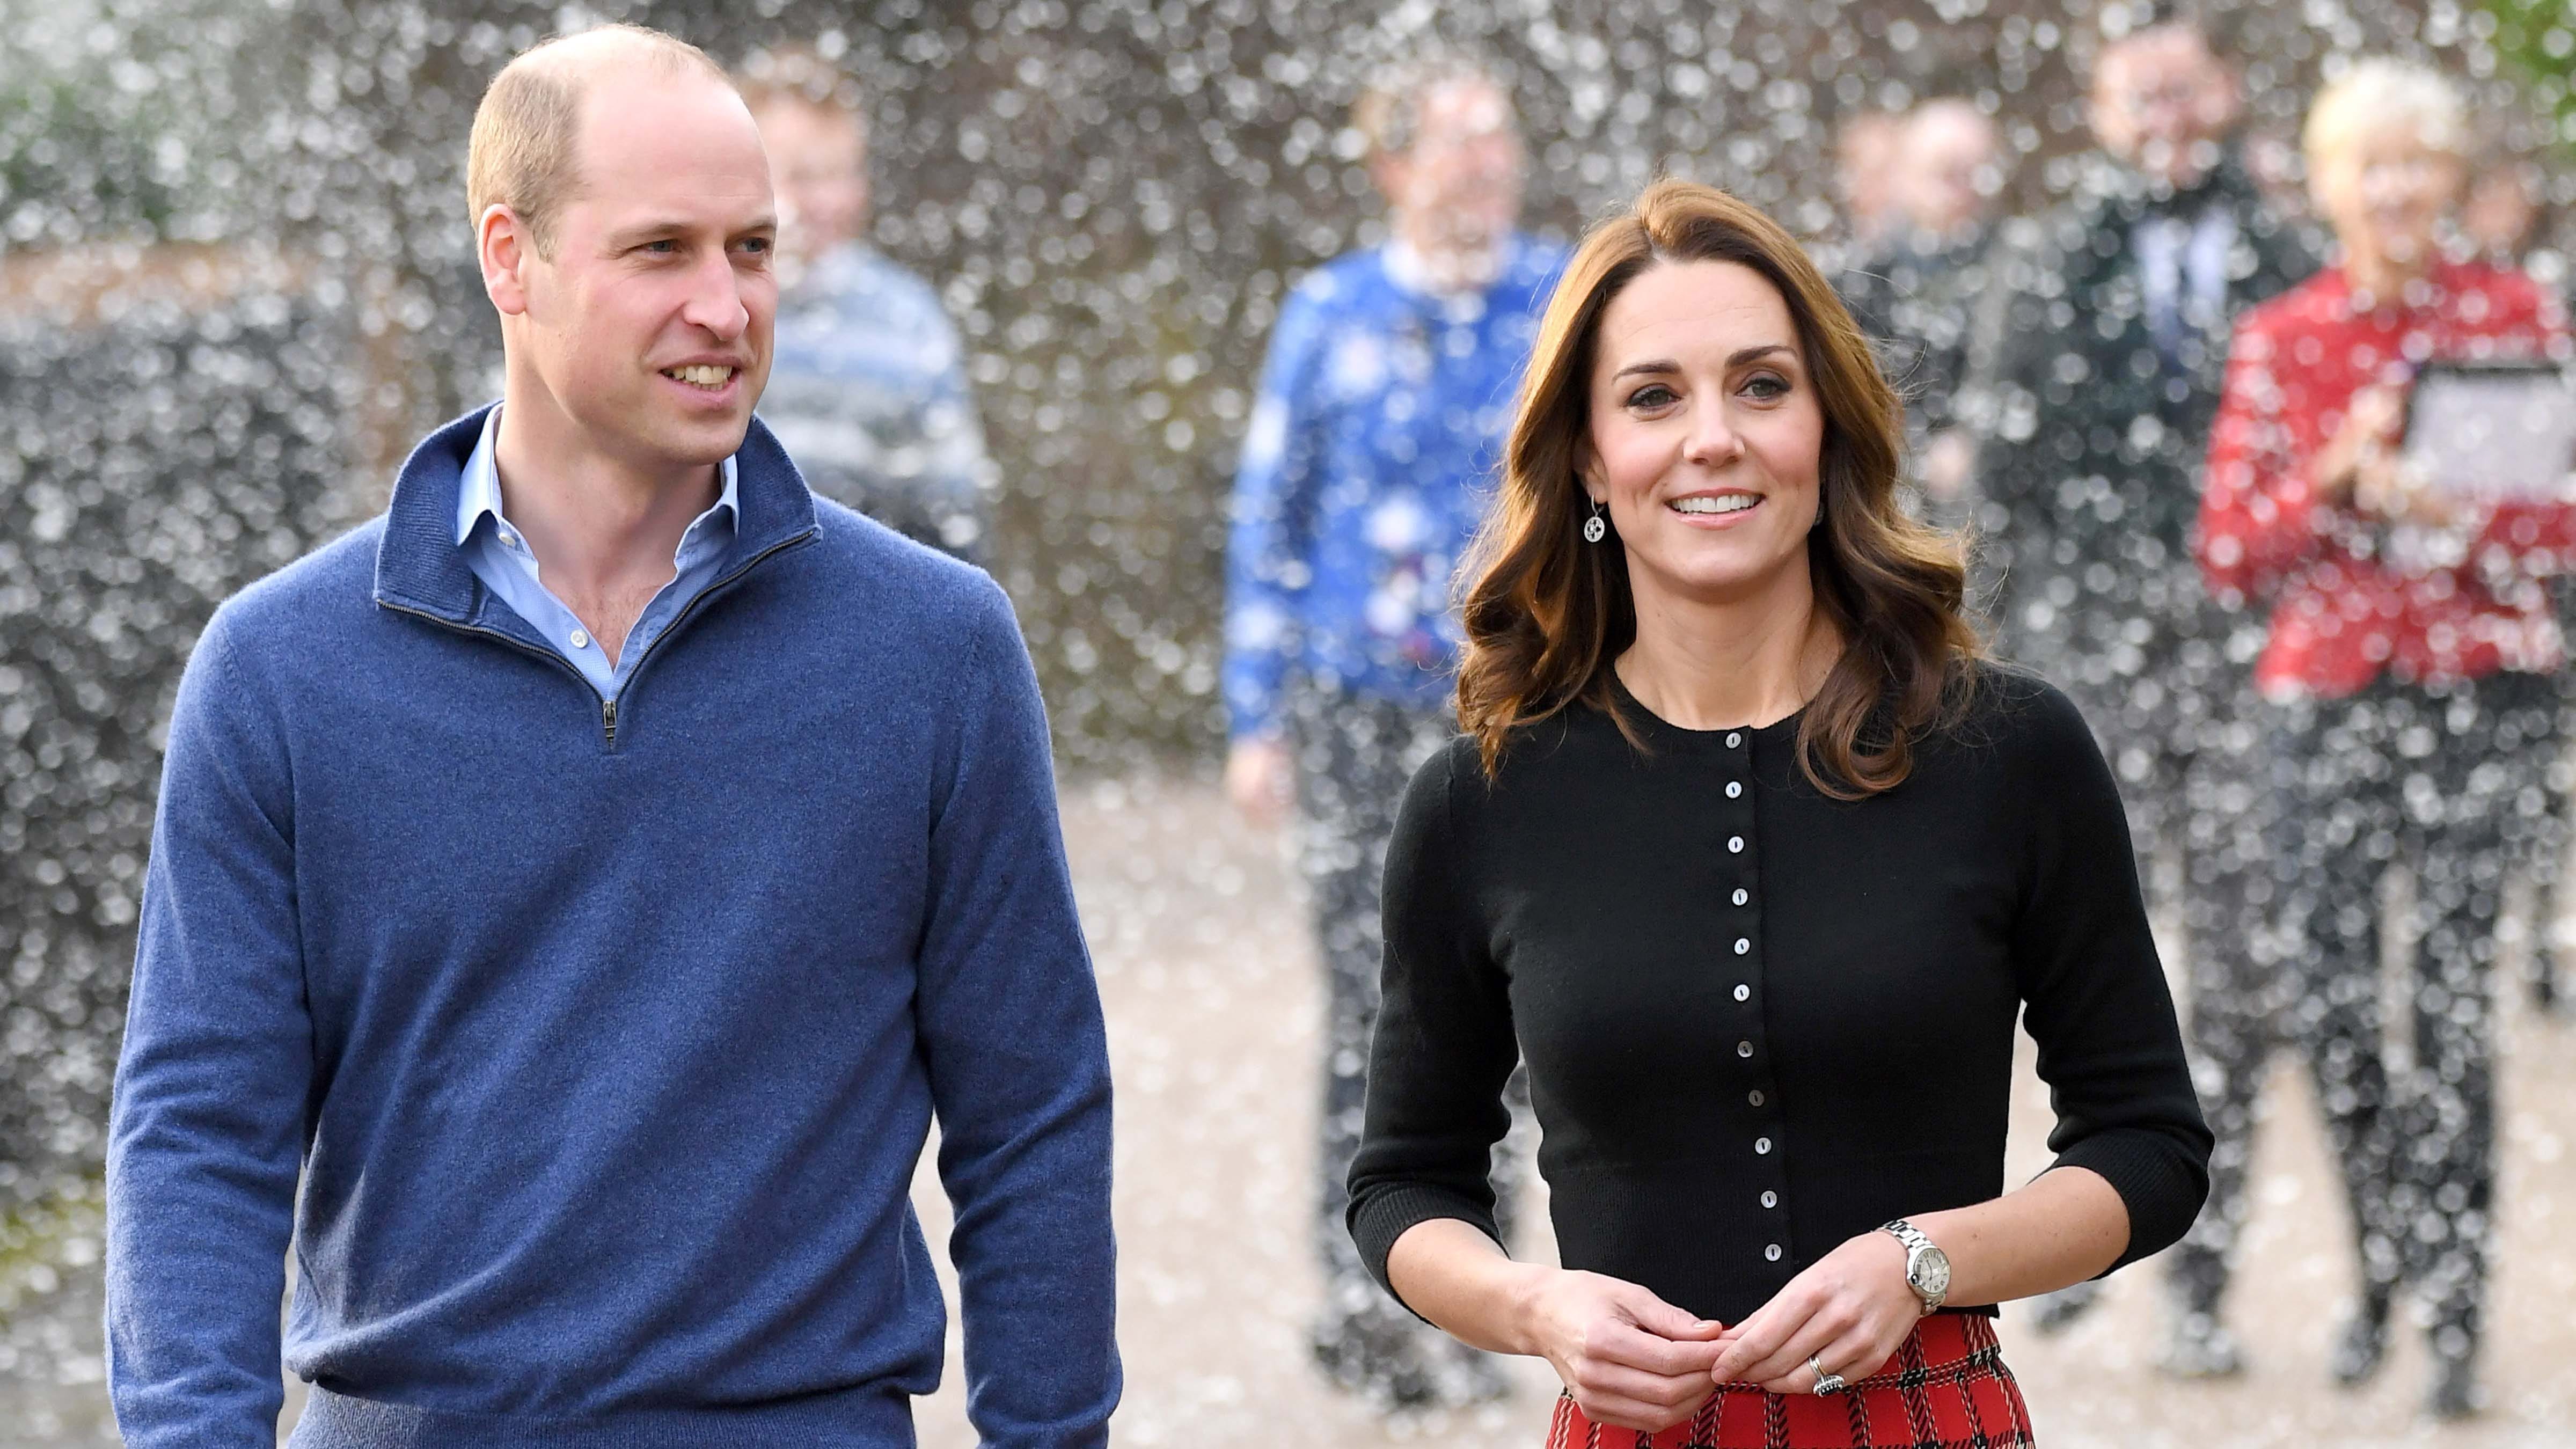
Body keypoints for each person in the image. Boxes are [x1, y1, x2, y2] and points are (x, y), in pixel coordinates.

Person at [103, 26, 1118, 1447]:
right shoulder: (281, 670)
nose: (728, 305)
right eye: (663, 252)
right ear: (508, 258)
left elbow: (1034, 1114)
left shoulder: (933, 652)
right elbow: (200, 1131)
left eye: (752, 249)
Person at [1348, 179, 2213, 1447]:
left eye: (1760, 385)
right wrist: (1534, 1307)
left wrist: (1921, 1259)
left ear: (1827, 426)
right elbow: (1400, 1181)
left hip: (1930, 1421)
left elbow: (2148, 1144)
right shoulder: (1479, 794)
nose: (1713, 437)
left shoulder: (2008, 749)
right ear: (1588, 454)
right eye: (1652, 396)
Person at [2198, 58, 2574, 1421]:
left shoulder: (2512, 315)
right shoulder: (2284, 335)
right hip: (2327, 701)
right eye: (2374, 164)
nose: (2399, 188)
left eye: (2420, 161)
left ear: (2450, 179)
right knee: (2336, 1011)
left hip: (2482, 693)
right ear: (2331, 183)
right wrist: (2331, 481)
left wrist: (2453, 507)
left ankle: (2460, 1307)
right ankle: (2386, 1266)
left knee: (2452, 1009)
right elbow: (2229, 547)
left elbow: (2560, 522)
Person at [1968, 3, 2315, 1366]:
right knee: (2070, 966)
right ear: (2101, 111)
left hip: (2249, 663)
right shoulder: (2045, 260)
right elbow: (2002, 484)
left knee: (2234, 974)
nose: (2163, 118)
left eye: (2183, 92)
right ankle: (2065, 1228)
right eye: (2136, 97)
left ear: (2221, 93)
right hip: (2087, 668)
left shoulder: (2288, 255)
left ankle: (2200, 1280)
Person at [1220, 52, 1562, 1414]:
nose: (1482, 168)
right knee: (1375, 1007)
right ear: (1393, 168)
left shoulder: (1558, 297)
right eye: (1455, 145)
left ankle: (1500, 1299)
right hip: (1358, 706)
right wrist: (1254, 716)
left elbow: (1606, 488)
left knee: (1534, 1001)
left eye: (1499, 142)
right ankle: (1361, 1299)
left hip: (1525, 703)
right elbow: (1269, 517)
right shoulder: (1331, 313)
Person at [743, 46, 994, 561]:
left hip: (861, 603)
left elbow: (953, 516)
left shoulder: (907, 321)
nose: (829, 202)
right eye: (803, 177)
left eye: (844, 175)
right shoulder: (704, 305)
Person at [1838, 98, 2002, 519]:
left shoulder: (2016, 269)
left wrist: (1976, 440)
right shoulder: (1863, 280)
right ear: (1907, 176)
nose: (1961, 190)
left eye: (1974, 174)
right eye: (1944, 173)